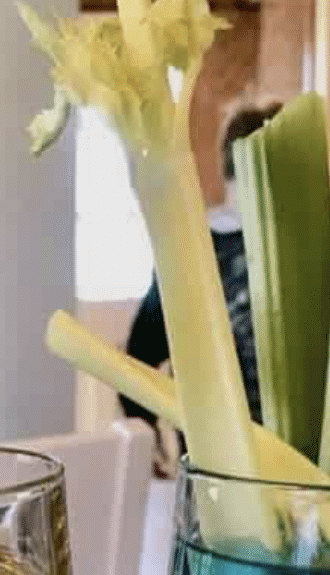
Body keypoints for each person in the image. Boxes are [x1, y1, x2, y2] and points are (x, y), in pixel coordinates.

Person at [119, 103, 282, 436]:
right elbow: (141, 354)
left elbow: (140, 353)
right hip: (212, 452)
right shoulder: (193, 248)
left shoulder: (191, 246)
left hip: (288, 457)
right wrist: (144, 429)